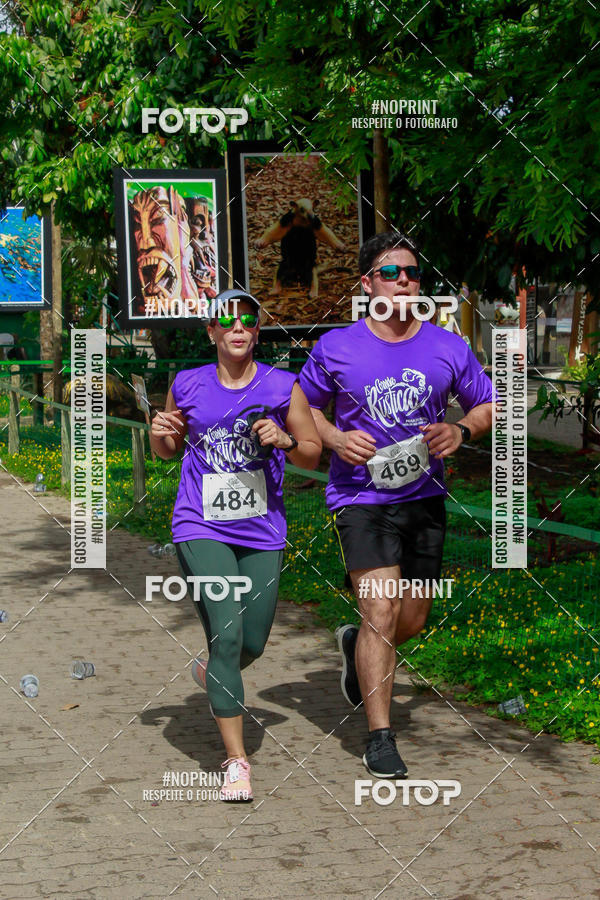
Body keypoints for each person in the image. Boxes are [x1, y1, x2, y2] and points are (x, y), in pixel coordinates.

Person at [299, 232, 494, 778]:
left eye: (411, 272)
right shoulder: (335, 346)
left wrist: (460, 429)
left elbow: (487, 405)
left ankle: (354, 648)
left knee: (411, 616)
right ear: (368, 285)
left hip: (424, 498)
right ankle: (380, 738)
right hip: (360, 497)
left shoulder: (447, 346)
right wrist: (336, 439)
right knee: (381, 609)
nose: (405, 280)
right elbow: (301, 407)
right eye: (392, 272)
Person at [150, 289, 321, 800]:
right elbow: (166, 451)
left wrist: (286, 441)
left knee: (252, 642)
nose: (238, 327)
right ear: (212, 332)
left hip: (262, 529)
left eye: (247, 319)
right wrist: (159, 431)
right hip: (201, 524)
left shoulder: (282, 384)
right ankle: (237, 762)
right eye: (227, 320)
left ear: (256, 329)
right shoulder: (187, 383)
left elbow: (312, 453)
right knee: (226, 635)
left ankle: (214, 671)